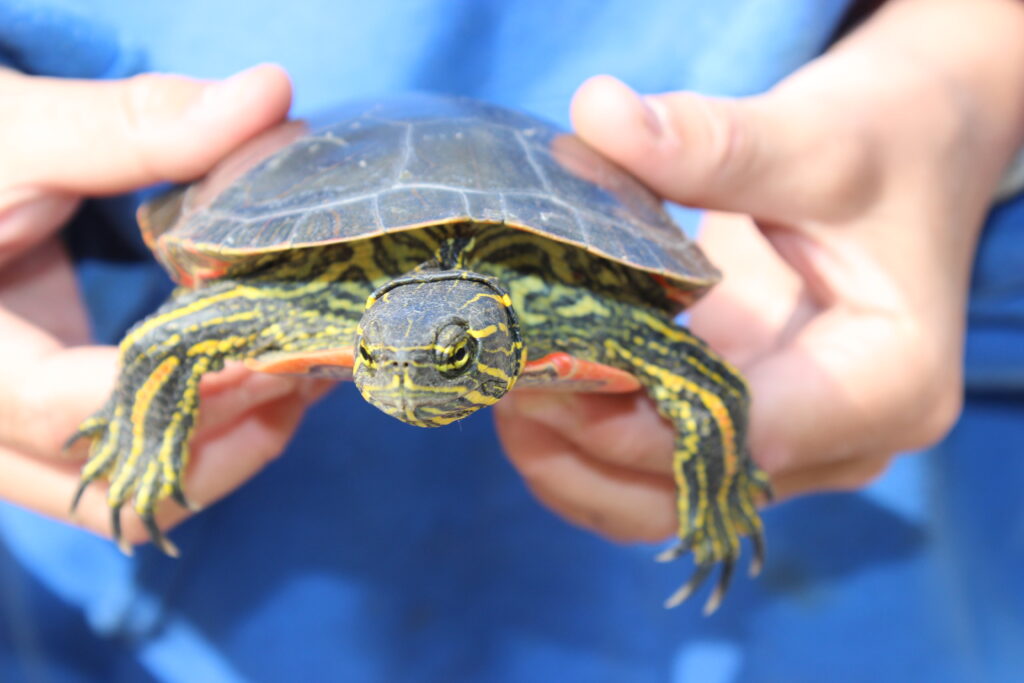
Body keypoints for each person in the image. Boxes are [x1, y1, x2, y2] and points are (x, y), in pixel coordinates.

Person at [1, 0, 1022, 680]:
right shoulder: (310, 306)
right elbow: (160, 347)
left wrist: (962, 83)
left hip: (857, 302)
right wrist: (140, 426)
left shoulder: (577, 310)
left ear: (483, 340)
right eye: (384, 356)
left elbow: (702, 374)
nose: (398, 378)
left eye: (433, 357)